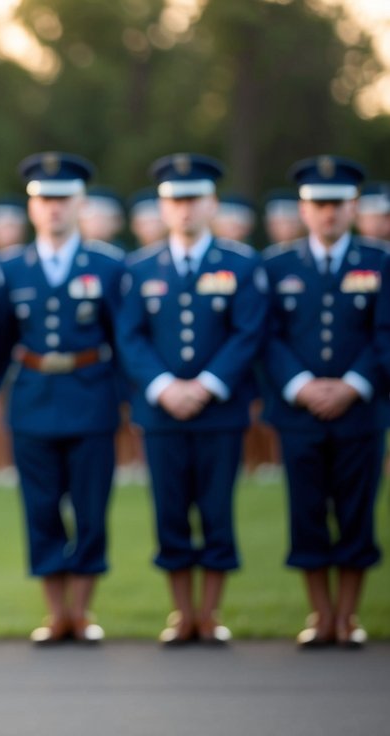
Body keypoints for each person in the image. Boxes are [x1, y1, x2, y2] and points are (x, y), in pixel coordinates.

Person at [116, 153, 267, 645]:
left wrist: (205, 386)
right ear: (162, 208)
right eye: (174, 200)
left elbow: (247, 333)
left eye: (193, 199)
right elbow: (130, 336)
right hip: (162, 413)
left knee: (217, 509)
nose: (184, 209)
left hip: (219, 411)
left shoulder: (239, 264)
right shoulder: (140, 268)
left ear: (212, 203)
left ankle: (211, 613)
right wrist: (164, 387)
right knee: (172, 510)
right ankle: (183, 615)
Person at [0, 153, 125, 644]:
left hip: (92, 395)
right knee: (41, 507)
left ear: (80, 203)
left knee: (91, 508)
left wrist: (128, 398)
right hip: (32, 398)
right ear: (32, 207)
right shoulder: (9, 267)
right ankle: (55, 614)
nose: (54, 209)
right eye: (44, 200)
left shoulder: (109, 265)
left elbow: (123, 337)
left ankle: (83, 612)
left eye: (63, 199)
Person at [265, 156, 387, 648]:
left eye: (337, 204)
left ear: (353, 206)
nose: (328, 213)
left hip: (361, 410)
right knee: (308, 511)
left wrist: (353, 384)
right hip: (300, 413)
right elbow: (268, 336)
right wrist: (302, 385)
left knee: (357, 511)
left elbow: (385, 334)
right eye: (318, 204)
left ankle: (349, 616)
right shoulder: (277, 264)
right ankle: (320, 615)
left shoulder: (380, 262)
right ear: (303, 208)